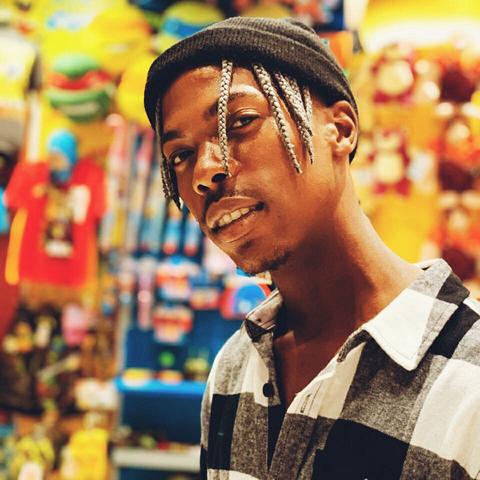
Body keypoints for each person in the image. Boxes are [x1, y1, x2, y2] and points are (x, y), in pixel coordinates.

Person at [144, 17, 480, 480]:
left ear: (339, 130)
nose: (204, 172)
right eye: (179, 155)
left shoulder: (468, 378)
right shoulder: (234, 369)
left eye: (239, 122)